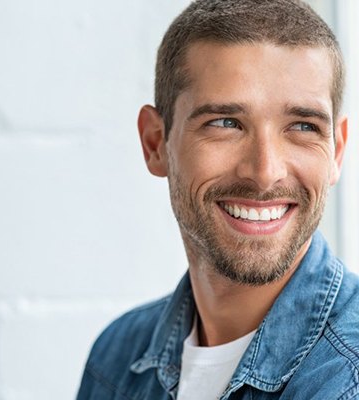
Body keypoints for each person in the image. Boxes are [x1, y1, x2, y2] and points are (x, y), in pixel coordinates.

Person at [77, 0, 359, 398]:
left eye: (302, 126)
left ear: (336, 151)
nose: (264, 172)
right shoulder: (116, 359)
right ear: (156, 143)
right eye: (226, 123)